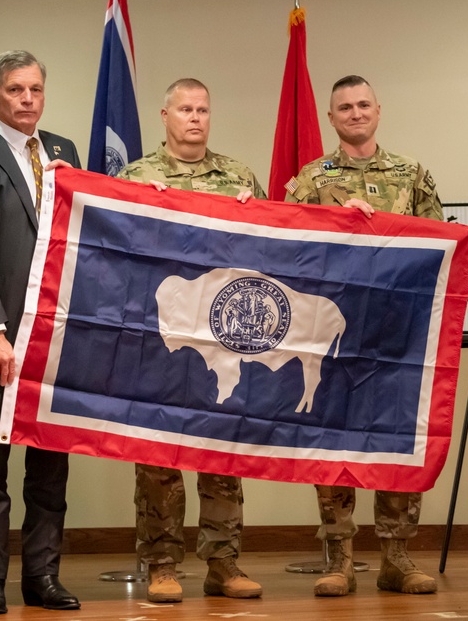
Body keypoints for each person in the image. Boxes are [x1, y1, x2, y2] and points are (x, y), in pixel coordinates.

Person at [285, 75, 443, 597]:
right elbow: (290, 250)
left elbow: (439, 249)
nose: (355, 113)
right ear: (331, 118)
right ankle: (339, 558)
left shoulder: (411, 175)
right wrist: (337, 225)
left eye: (363, 105)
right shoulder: (311, 178)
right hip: (333, 331)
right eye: (344, 107)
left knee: (397, 439)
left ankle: (397, 556)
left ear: (379, 109)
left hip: (398, 331)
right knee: (332, 439)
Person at [116, 78, 265, 604]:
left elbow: (271, 256)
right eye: (185, 109)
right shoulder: (137, 176)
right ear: (165, 115)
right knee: (159, 451)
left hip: (224, 335)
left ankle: (223, 562)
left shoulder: (239, 176)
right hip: (163, 337)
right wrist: (138, 209)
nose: (195, 118)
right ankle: (161, 563)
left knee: (223, 449)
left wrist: (258, 214)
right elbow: (116, 257)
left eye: (203, 109)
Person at [0, 50, 82, 615]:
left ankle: (42, 578)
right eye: (16, 90)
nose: (28, 99)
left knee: (50, 463)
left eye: (35, 89)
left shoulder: (64, 152)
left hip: (55, 334)